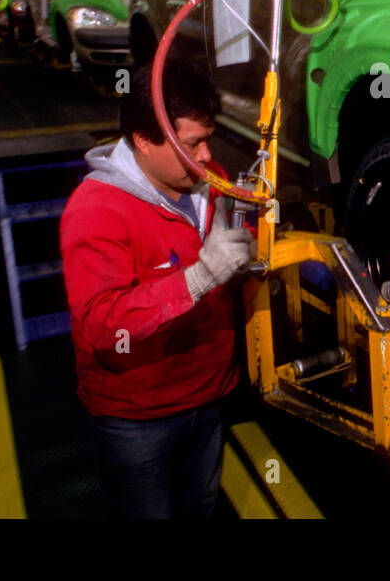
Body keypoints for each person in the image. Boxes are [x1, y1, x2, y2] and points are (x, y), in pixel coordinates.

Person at [60, 58, 255, 518]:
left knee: (200, 507)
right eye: (194, 143)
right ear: (145, 141)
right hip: (138, 419)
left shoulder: (211, 183)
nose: (207, 155)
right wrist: (199, 276)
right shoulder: (96, 210)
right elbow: (101, 325)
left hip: (209, 396)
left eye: (209, 138)